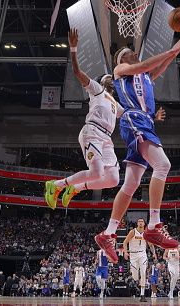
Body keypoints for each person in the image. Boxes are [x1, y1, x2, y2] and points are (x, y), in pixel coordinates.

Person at [95, 16, 180, 262]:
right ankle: (153, 225)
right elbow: (145, 65)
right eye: (129, 52)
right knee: (163, 165)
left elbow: (165, 61)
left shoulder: (146, 77)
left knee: (130, 185)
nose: (133, 54)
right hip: (134, 120)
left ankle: (107, 233)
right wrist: (170, 50)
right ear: (121, 60)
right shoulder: (120, 71)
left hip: (144, 124)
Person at [45, 28, 124, 210]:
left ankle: (75, 188)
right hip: (92, 132)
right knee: (96, 172)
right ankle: (56, 185)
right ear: (102, 81)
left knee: (113, 179)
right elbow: (78, 73)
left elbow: (130, 115)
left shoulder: (115, 103)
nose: (111, 79)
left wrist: (152, 114)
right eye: (108, 77)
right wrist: (73, 50)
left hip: (106, 138)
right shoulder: (98, 90)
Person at [123, 218, 158, 302]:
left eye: (142, 221)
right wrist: (125, 252)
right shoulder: (132, 232)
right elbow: (125, 242)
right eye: (139, 221)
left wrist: (154, 253)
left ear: (144, 224)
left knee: (143, 273)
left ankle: (142, 295)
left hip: (142, 254)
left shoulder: (146, 234)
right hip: (133, 255)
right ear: (137, 223)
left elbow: (151, 245)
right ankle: (137, 279)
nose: (140, 223)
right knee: (135, 276)